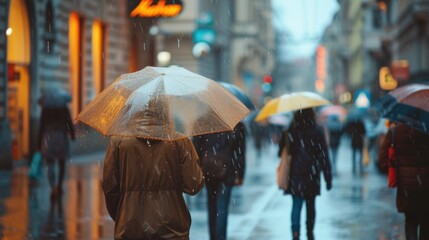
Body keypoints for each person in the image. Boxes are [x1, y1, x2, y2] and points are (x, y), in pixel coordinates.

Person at [278, 108, 332, 240]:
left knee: (296, 204)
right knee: (310, 204)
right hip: (312, 173)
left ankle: (295, 233)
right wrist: (328, 177)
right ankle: (309, 231)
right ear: (312, 115)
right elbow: (324, 156)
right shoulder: (317, 131)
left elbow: (280, 152)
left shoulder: (291, 131)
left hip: (295, 173)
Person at [193, 122, 246, 240]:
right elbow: (240, 151)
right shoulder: (236, 123)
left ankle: (213, 236)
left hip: (209, 170)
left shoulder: (205, 121)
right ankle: (220, 237)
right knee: (222, 208)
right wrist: (241, 174)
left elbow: (196, 147)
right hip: (228, 170)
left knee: (212, 208)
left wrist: (199, 165)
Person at [379, 122, 429, 240]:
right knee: (426, 222)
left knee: (411, 220)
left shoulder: (394, 132)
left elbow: (383, 162)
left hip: (407, 187)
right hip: (427, 186)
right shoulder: (426, 130)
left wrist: (398, 167)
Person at [37, 87, 75, 199]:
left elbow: (41, 126)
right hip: (61, 137)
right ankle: (59, 186)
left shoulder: (46, 108)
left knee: (50, 163)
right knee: (61, 163)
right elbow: (69, 122)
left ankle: (53, 187)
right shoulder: (63, 107)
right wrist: (72, 134)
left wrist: (38, 144)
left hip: (48, 137)